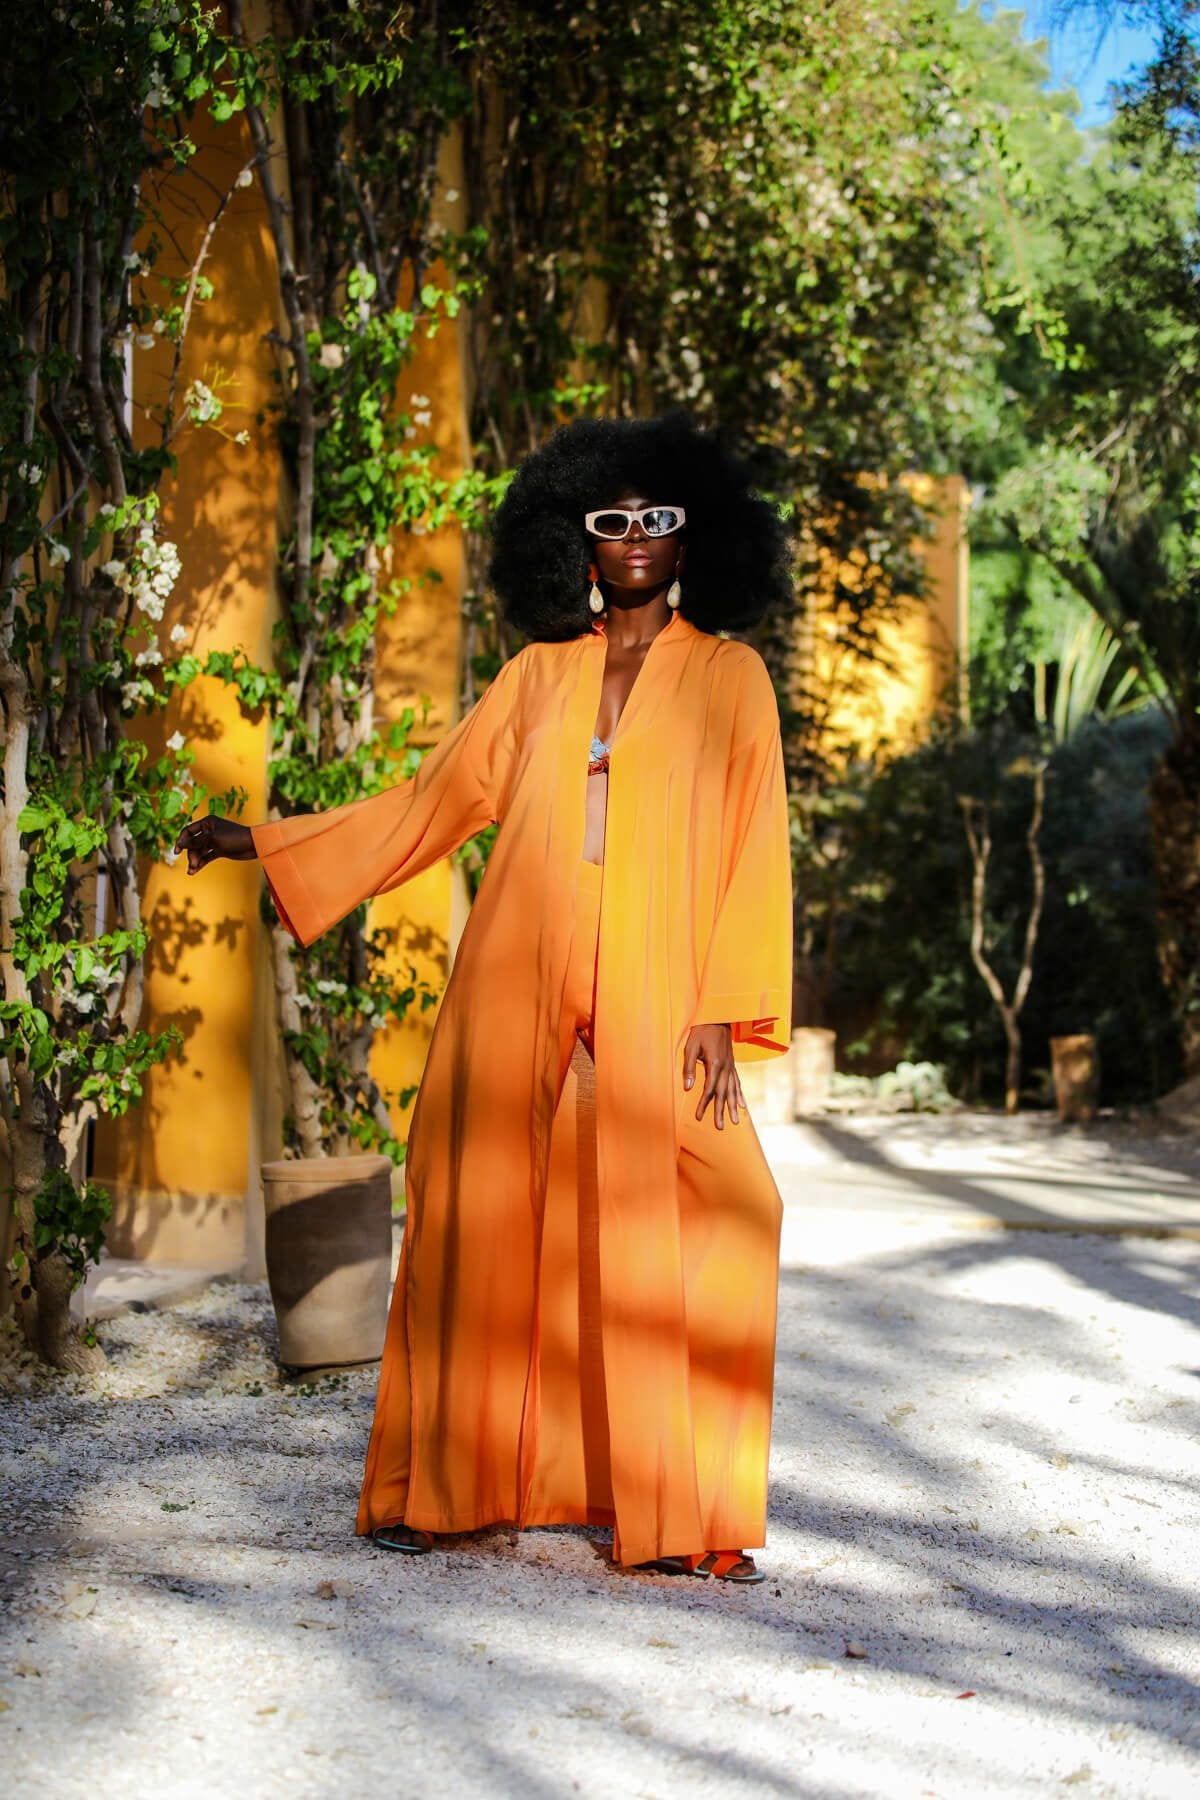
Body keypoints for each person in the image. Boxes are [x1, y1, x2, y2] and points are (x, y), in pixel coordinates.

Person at [175, 411, 794, 1584]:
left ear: (693, 534)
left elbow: (756, 842)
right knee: (482, 1210)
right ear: (578, 540)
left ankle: (680, 1512)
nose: (636, 538)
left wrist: (724, 1004)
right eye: (611, 520)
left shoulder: (730, 677)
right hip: (517, 963)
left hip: (664, 972)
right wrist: (267, 842)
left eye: (659, 518)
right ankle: (446, 1491)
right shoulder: (536, 675)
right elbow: (433, 805)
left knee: (719, 1206)